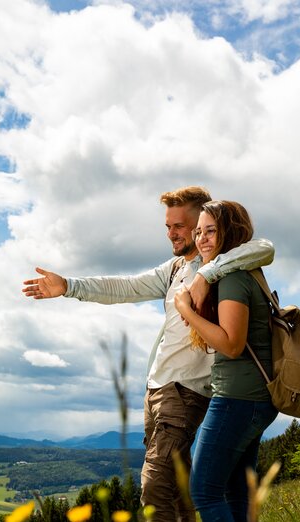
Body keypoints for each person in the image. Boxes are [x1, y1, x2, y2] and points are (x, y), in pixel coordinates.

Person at [22, 187, 274, 522]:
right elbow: (126, 286)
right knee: (177, 491)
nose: (172, 233)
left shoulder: (223, 262)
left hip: (185, 394)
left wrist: (207, 273)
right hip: (157, 391)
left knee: (154, 487)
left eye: (182, 226)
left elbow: (263, 248)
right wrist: (69, 285)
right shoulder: (174, 269)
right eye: (170, 226)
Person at [174, 200, 278, 522]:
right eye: (199, 232)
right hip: (253, 399)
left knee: (204, 491)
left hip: (237, 399)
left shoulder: (233, 279)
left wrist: (187, 311)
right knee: (236, 491)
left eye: (211, 231)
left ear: (229, 233)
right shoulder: (238, 273)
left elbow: (232, 345)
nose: (202, 238)